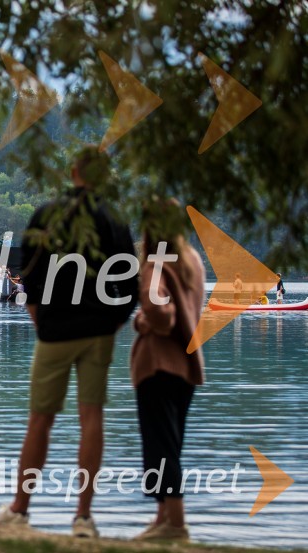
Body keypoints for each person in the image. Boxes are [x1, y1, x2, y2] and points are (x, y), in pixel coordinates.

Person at [0, 146, 138, 539]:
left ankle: (20, 509)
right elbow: (130, 284)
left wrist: (40, 320)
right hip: (97, 333)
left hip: (53, 331)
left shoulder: (48, 213)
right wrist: (113, 323)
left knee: (39, 420)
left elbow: (29, 276)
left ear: (73, 171)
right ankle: (83, 517)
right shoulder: (116, 219)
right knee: (92, 419)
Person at [131, 199, 205, 542]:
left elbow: (162, 313)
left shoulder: (154, 263)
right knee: (171, 444)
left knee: (161, 446)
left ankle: (176, 523)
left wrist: (145, 320)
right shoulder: (192, 261)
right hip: (186, 366)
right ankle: (162, 519)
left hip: (158, 364)